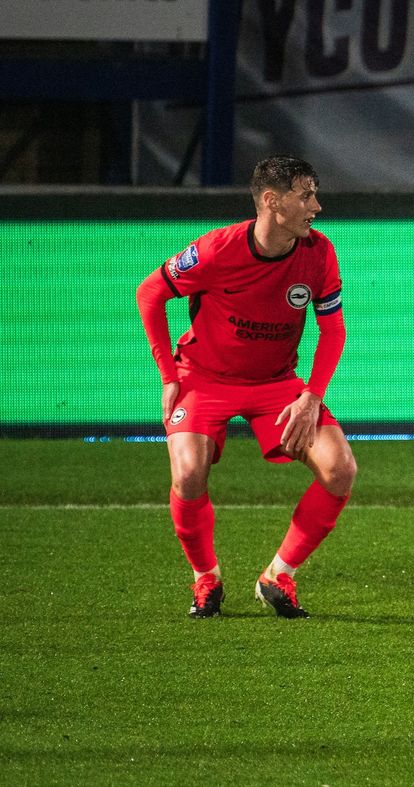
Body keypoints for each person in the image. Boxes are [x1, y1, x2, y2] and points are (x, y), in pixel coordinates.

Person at [134, 154, 355, 619]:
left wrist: (312, 396)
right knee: (188, 475)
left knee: (340, 470)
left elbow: (333, 330)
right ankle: (206, 579)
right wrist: (168, 376)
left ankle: (278, 576)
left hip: (276, 383)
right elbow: (150, 292)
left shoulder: (319, 252)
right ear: (272, 201)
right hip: (203, 378)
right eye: (306, 196)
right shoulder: (217, 250)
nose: (317, 206)